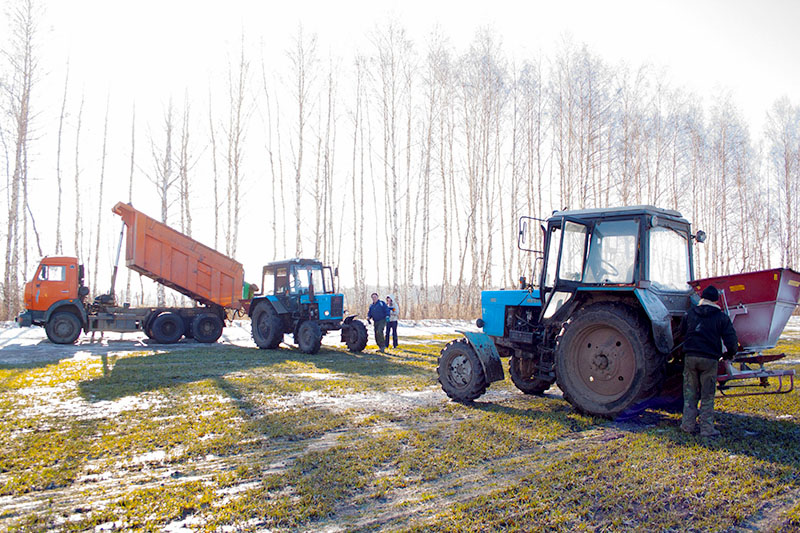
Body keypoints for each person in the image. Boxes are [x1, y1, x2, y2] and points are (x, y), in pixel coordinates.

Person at [679, 284, 738, 437]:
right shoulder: (721, 317)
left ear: (702, 298)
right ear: (716, 301)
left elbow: (681, 332)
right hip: (709, 359)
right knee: (707, 395)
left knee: (690, 394)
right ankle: (706, 429)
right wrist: (730, 354)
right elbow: (731, 339)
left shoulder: (690, 313)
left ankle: (687, 425)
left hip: (690, 358)